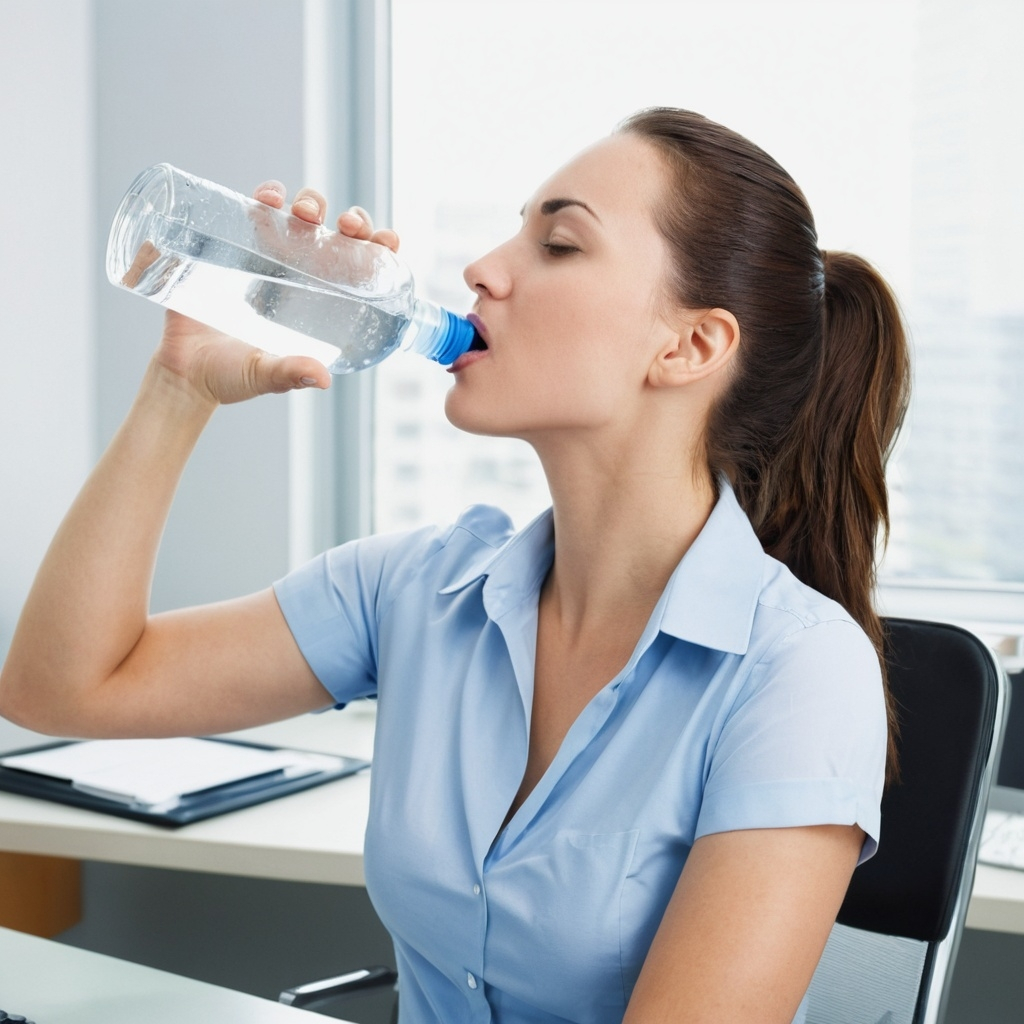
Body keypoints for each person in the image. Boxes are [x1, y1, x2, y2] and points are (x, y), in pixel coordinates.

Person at [0, 107, 910, 1023]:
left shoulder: (800, 671)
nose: (482, 268)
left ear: (690, 347)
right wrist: (179, 388)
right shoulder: (418, 590)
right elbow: (61, 689)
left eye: (557, 243)